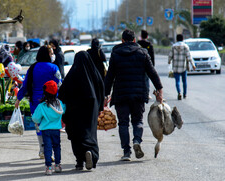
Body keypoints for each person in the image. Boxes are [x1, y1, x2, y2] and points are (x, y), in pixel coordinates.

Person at [104, 29, 163, 161]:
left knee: (123, 123)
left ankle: (126, 152)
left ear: (122, 40)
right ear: (135, 40)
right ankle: (137, 140)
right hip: (138, 94)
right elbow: (152, 72)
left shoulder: (115, 53)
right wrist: (159, 90)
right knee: (137, 121)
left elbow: (109, 76)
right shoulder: (143, 53)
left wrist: (105, 95)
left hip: (121, 94)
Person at [58, 51, 104, 170]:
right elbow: (101, 89)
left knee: (76, 134)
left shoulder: (72, 74)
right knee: (90, 133)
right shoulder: (94, 73)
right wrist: (100, 108)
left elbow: (62, 93)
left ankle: (79, 161)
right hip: (91, 107)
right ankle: (90, 153)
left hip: (74, 110)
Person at [15, 45, 62, 159]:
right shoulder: (54, 68)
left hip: (36, 102)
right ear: (47, 55)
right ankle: (49, 151)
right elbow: (59, 84)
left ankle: (43, 150)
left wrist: (18, 99)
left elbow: (25, 85)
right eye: (51, 53)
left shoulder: (32, 68)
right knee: (51, 126)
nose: (52, 55)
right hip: (51, 102)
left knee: (40, 127)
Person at [32, 80, 66, 175]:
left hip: (45, 130)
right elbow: (64, 111)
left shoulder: (42, 106)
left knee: (47, 147)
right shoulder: (60, 104)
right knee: (57, 147)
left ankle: (49, 167)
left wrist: (39, 121)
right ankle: (58, 165)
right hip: (56, 130)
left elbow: (35, 118)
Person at [168, 34, 196, 100]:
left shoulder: (173, 46)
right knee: (184, 81)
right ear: (183, 39)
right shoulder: (185, 46)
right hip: (183, 67)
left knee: (177, 81)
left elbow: (170, 55)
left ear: (176, 39)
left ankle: (179, 92)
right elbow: (189, 57)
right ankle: (185, 94)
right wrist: (193, 64)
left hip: (176, 67)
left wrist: (169, 61)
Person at [138, 30, 155, 99]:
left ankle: (140, 93)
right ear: (147, 36)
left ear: (141, 36)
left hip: (138, 65)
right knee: (146, 80)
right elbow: (152, 56)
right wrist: (152, 66)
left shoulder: (138, 44)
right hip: (147, 65)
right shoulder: (149, 45)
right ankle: (147, 94)